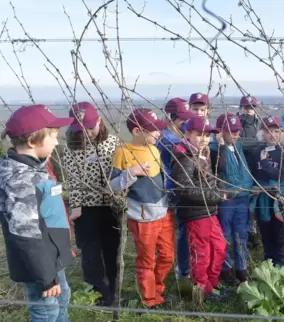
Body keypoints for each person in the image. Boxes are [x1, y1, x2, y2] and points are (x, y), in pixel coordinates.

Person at [0, 104, 74, 322]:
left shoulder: (35, 168)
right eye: (53, 137)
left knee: (62, 300)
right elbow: (26, 235)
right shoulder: (20, 180)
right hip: (39, 265)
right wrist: (45, 276)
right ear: (33, 142)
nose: (57, 142)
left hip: (50, 257)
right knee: (45, 311)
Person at [109, 108, 173, 307]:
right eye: (153, 130)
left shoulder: (155, 149)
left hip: (163, 212)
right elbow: (111, 186)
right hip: (142, 216)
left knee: (167, 256)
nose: (158, 133)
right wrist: (132, 172)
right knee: (146, 260)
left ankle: (158, 289)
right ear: (137, 131)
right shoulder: (123, 152)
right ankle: (149, 299)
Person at [63, 102, 121, 306]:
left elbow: (120, 172)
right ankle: (96, 289)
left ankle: (113, 288)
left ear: (100, 121)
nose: (86, 133)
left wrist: (118, 198)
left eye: (90, 127)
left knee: (110, 248)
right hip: (86, 208)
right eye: (80, 129)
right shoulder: (72, 148)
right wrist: (76, 205)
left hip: (110, 206)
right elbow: (73, 179)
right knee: (90, 250)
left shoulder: (114, 143)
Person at [170, 116, 228, 303]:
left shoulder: (202, 152)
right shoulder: (185, 155)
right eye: (199, 134)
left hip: (209, 210)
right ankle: (201, 291)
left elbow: (209, 179)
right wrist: (217, 196)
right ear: (187, 133)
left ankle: (211, 284)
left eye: (207, 135)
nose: (204, 139)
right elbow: (184, 188)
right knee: (201, 253)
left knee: (219, 247)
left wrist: (219, 189)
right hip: (196, 213)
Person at [156, 98, 196, 281]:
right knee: (183, 229)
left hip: (175, 187)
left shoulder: (170, 136)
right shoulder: (169, 141)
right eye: (182, 119)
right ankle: (183, 270)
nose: (186, 123)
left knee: (183, 228)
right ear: (171, 118)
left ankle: (183, 267)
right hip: (174, 189)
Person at [211, 113, 253, 284]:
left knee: (241, 234)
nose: (236, 134)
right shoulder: (214, 150)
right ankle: (225, 268)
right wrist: (220, 146)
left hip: (242, 196)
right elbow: (217, 169)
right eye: (232, 131)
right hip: (227, 199)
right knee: (224, 234)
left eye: (237, 131)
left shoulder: (238, 147)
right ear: (220, 132)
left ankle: (241, 267)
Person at [250, 116, 284, 267]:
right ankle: (269, 260)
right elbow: (254, 173)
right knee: (265, 228)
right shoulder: (257, 152)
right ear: (262, 133)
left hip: (279, 197)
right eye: (268, 131)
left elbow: (282, 175)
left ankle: (282, 262)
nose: (273, 134)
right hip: (262, 197)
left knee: (280, 231)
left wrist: (266, 164)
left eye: (277, 131)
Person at [237, 95, 262, 249]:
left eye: (252, 106)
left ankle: (254, 231)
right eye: (246, 107)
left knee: (256, 199)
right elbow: (237, 143)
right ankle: (244, 232)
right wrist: (256, 143)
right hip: (241, 165)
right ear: (241, 108)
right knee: (244, 199)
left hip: (257, 165)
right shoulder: (236, 123)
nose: (249, 109)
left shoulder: (260, 123)